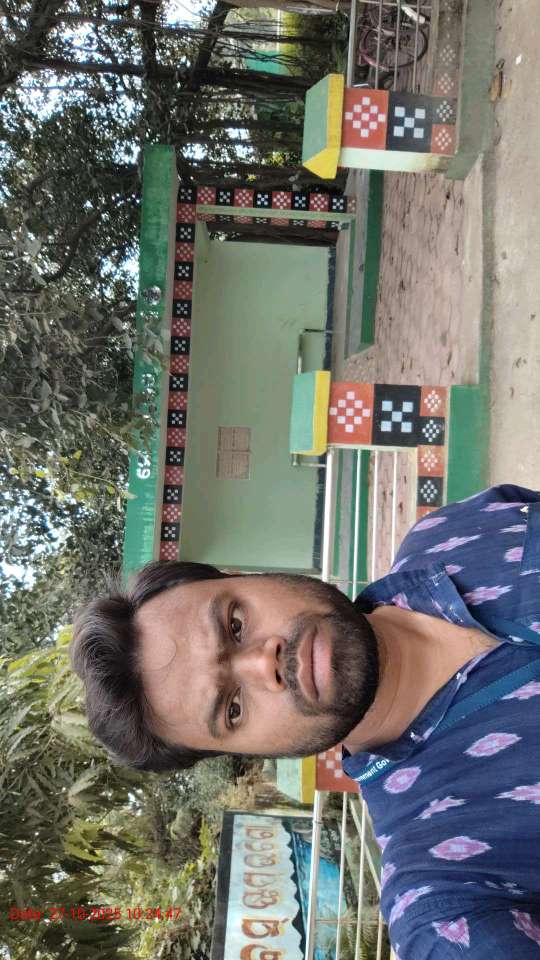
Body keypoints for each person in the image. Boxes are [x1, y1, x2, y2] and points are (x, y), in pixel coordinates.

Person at [71, 484, 540, 957]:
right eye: (232, 708)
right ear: (244, 752)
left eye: (235, 624)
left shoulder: (447, 533)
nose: (263, 664)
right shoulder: (444, 891)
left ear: (246, 575)